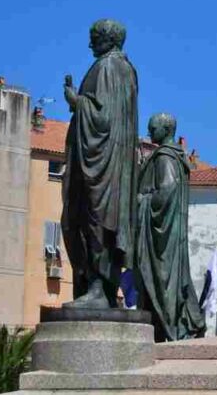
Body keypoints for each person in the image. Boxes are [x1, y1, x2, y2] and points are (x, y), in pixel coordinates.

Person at [62, 19, 139, 308]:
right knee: (101, 223)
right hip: (115, 162)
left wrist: (76, 101)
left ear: (109, 39)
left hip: (102, 163)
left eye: (94, 37)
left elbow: (102, 119)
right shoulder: (127, 69)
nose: (90, 43)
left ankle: (98, 289)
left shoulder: (107, 67)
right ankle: (103, 291)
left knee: (93, 221)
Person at [134, 113, 206, 341]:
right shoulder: (177, 157)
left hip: (161, 235)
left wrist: (142, 200)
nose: (149, 132)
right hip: (171, 231)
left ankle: (169, 325)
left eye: (152, 128)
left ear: (166, 130)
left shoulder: (164, 157)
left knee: (160, 279)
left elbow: (167, 190)